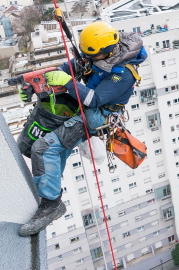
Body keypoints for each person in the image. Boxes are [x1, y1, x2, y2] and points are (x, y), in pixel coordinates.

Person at [19, 21, 148, 237]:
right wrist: (35, 84)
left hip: (97, 117)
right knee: (53, 148)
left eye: (91, 56)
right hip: (82, 106)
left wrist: (68, 82)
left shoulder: (124, 73)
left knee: (43, 147)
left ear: (106, 53)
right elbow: (66, 69)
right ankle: (49, 189)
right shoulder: (96, 54)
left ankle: (51, 204)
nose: (86, 59)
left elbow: (93, 99)